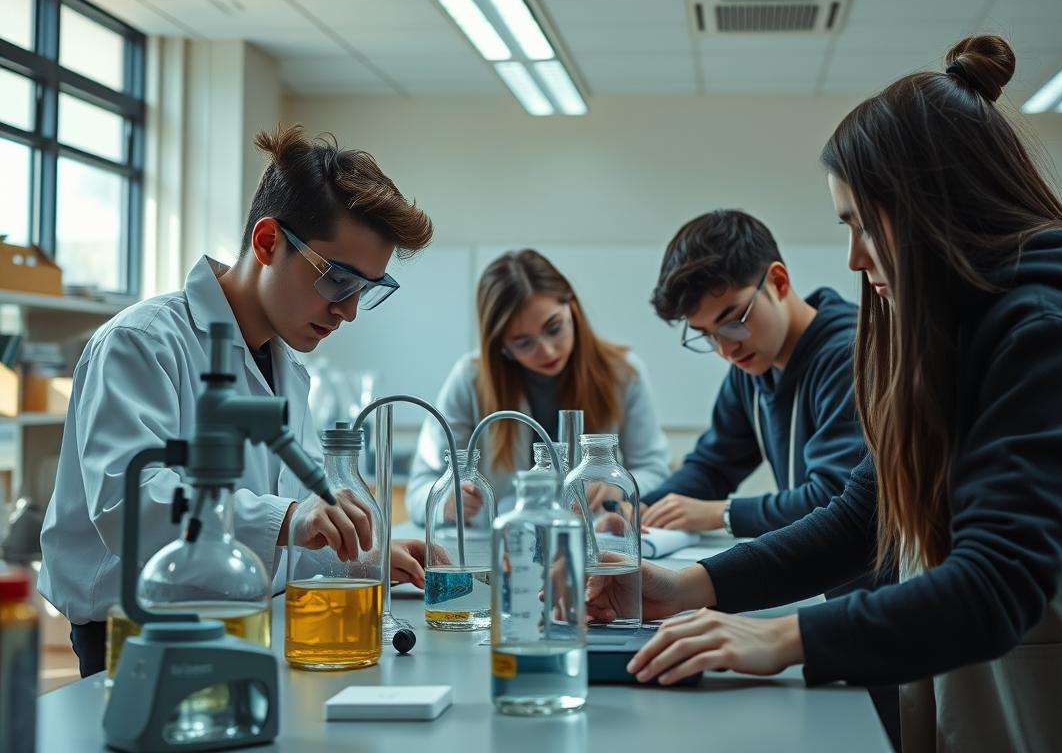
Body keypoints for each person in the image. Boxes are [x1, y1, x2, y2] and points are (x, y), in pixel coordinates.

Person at [594, 35, 1062, 752]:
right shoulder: (976, 336)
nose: (852, 257)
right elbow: (863, 517)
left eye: (860, 224)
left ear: (933, 207)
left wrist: (784, 637)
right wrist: (686, 585)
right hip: (994, 708)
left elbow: (996, 587)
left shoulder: (1050, 339)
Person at [39, 125, 437, 676]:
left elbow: (281, 522)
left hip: (247, 624)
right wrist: (292, 517)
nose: (347, 311)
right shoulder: (143, 343)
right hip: (138, 639)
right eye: (339, 280)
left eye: (366, 291)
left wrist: (358, 557)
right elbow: (130, 506)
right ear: (267, 242)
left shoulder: (288, 369)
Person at [640, 210, 866, 538]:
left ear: (778, 281)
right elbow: (713, 466)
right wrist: (639, 508)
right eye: (707, 334)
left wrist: (722, 513)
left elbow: (835, 497)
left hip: (882, 584)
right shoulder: (752, 364)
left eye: (733, 322)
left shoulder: (850, 352)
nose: (725, 350)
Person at [407, 250, 669, 526]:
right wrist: (448, 502)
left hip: (592, 543)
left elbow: (654, 470)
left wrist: (617, 487)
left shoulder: (624, 373)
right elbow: (420, 487)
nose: (546, 350)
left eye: (554, 327)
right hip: (503, 548)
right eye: (523, 342)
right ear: (501, 346)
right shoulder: (469, 379)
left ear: (571, 304)